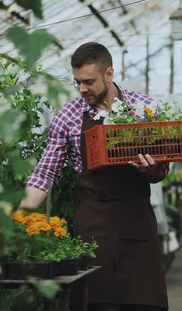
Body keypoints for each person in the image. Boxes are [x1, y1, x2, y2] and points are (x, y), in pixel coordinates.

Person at [18, 42, 168, 311]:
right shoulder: (68, 116)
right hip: (93, 227)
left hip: (137, 225)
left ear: (109, 74)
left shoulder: (144, 110)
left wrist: (149, 168)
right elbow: (45, 172)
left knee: (142, 304)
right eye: (77, 82)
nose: (81, 89)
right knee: (93, 303)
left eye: (88, 82)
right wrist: (20, 218)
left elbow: (161, 171)